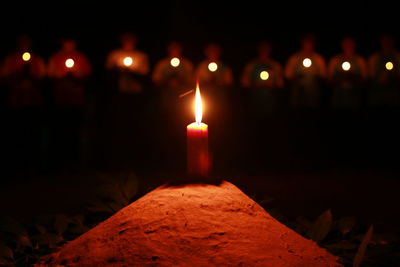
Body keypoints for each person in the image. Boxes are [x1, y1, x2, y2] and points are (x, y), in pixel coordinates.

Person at [1, 35, 46, 170]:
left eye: (27, 42)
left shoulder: (37, 60)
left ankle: (33, 164)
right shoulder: (10, 60)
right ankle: (16, 164)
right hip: (16, 102)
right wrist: (19, 74)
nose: (24, 44)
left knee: (32, 133)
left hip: (33, 102)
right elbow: (4, 80)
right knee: (17, 132)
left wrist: (31, 76)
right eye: (22, 42)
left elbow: (44, 80)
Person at [47, 38, 92, 169]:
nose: (68, 44)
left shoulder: (81, 58)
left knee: (75, 131)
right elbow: (50, 78)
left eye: (70, 41)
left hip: (76, 101)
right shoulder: (55, 58)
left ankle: (75, 162)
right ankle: (58, 162)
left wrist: (75, 77)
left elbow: (87, 78)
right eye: (65, 42)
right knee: (59, 130)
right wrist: (64, 77)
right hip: (60, 100)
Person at [241, 41, 284, 114]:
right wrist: (256, 85)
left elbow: (280, 84)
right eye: (262, 49)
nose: (264, 51)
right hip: (254, 101)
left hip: (270, 101)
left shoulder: (275, 66)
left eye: (266, 49)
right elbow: (244, 82)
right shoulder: (251, 65)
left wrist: (272, 85)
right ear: (258, 50)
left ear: (270, 50)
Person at [285, 35, 327, 109]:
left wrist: (316, 75)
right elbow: (287, 76)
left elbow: (323, 76)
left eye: (310, 43)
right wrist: (296, 77)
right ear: (302, 43)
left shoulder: (319, 59)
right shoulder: (294, 58)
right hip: (298, 93)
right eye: (306, 43)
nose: (308, 45)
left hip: (313, 93)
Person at [328, 37, 368, 109]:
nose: (348, 47)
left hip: (354, 97)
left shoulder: (360, 61)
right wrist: (341, 78)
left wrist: (352, 77)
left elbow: (365, 81)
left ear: (354, 45)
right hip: (338, 96)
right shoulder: (334, 60)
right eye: (346, 44)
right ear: (342, 45)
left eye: (350, 44)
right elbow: (329, 81)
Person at [368, 35, 400, 107]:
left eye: (389, 42)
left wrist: (392, 78)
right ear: (381, 42)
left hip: (395, 95)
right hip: (377, 95)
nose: (387, 44)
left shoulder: (398, 57)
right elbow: (370, 77)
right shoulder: (374, 58)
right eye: (385, 42)